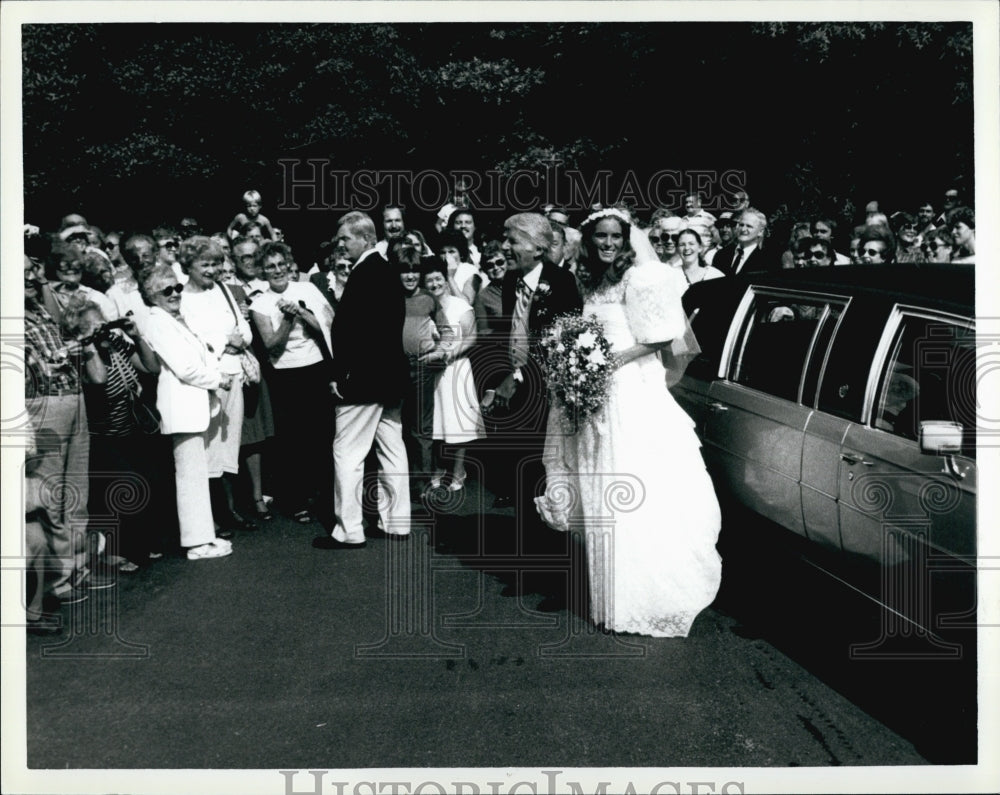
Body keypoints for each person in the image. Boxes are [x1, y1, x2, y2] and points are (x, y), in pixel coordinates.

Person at [534, 207, 722, 637]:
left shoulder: (640, 276)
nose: (608, 244)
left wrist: (610, 361)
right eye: (600, 236)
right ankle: (609, 592)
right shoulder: (588, 279)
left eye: (616, 237)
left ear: (627, 238)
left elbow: (661, 335)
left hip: (629, 387)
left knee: (630, 476)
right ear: (589, 238)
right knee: (599, 476)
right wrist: (576, 361)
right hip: (594, 388)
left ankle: (638, 591)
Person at [314, 211, 411, 549]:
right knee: (391, 448)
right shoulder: (384, 271)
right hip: (390, 377)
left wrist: (341, 376)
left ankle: (348, 529)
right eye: (339, 239)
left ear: (367, 239)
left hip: (364, 379)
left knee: (347, 451)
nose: (341, 245)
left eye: (346, 239)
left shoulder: (364, 274)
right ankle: (397, 522)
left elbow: (353, 334)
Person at [489, 213, 582, 518]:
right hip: (513, 390)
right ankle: (524, 535)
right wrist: (503, 377)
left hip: (546, 393)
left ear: (538, 249)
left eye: (512, 241)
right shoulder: (511, 282)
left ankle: (547, 541)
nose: (504, 247)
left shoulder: (562, 283)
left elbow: (558, 346)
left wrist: (517, 377)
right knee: (517, 468)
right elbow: (508, 335)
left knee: (541, 468)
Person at [139, 265, 235, 560]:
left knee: (196, 473)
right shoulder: (157, 322)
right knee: (190, 476)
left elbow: (202, 352)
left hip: (194, 405)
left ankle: (203, 536)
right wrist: (218, 379)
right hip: (181, 406)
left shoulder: (174, 320)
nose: (174, 294)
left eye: (177, 288)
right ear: (152, 296)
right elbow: (185, 367)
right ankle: (195, 543)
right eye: (166, 290)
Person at [250, 241, 335, 524]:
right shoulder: (260, 304)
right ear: (263, 270)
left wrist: (301, 312)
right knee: (293, 440)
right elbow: (271, 345)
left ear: (289, 265)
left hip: (315, 368)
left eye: (280, 265)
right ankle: (297, 500)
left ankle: (326, 496)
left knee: (322, 435)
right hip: (285, 375)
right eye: (270, 266)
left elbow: (326, 326)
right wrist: (287, 319)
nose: (277, 271)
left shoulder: (307, 289)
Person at [178, 236, 255, 537]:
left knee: (229, 446)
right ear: (188, 266)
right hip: (208, 380)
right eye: (204, 264)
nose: (211, 270)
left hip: (235, 373)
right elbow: (192, 338)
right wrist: (225, 342)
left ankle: (229, 509)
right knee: (209, 448)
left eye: (215, 263)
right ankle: (213, 516)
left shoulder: (223, 289)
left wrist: (239, 340)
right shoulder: (183, 298)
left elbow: (244, 329)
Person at [423, 258, 485, 491]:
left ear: (445, 280)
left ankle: (459, 469)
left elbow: (472, 336)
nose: (435, 283)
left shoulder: (460, 306)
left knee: (459, 423)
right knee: (436, 421)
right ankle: (439, 467)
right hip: (432, 371)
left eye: (438, 278)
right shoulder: (422, 306)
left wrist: (449, 354)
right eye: (429, 280)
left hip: (457, 368)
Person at [712, 207, 773, 275]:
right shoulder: (721, 255)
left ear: (760, 231)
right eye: (741, 225)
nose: (743, 229)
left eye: (749, 226)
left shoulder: (766, 261)